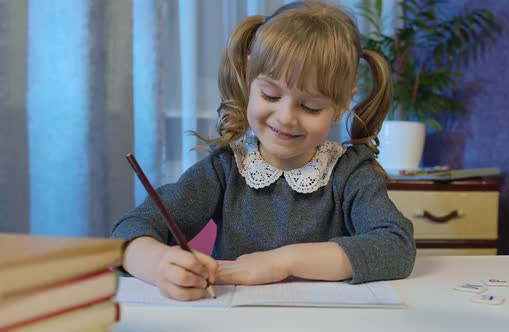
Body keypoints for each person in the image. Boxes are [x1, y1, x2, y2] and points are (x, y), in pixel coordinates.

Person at [112, 0, 415, 301]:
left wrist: (283, 262)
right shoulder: (225, 168)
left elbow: (396, 246)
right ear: (247, 84)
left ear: (338, 107)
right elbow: (130, 230)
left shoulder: (350, 173)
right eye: (270, 95)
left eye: (310, 106)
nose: (285, 118)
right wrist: (159, 265)